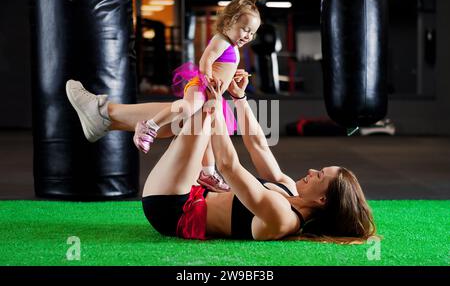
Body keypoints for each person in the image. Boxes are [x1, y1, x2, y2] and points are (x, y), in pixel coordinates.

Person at [66, 71, 377, 242]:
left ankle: (104, 115)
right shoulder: (290, 191)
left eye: (320, 175)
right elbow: (257, 145)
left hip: (172, 209)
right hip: (194, 190)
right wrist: (238, 98)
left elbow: (229, 166)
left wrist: (216, 107)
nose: (312, 170)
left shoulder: (283, 217)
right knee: (195, 105)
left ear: (323, 200)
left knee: (199, 105)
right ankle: (104, 117)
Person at [66, 0, 264, 192]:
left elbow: (222, 64)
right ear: (229, 23)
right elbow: (206, 61)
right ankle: (148, 126)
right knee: (186, 109)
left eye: (252, 33)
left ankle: (208, 171)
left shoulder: (232, 46)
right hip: (204, 86)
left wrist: (229, 75)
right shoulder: (221, 39)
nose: (248, 35)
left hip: (213, 92)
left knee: (204, 131)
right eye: (245, 29)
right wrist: (208, 78)